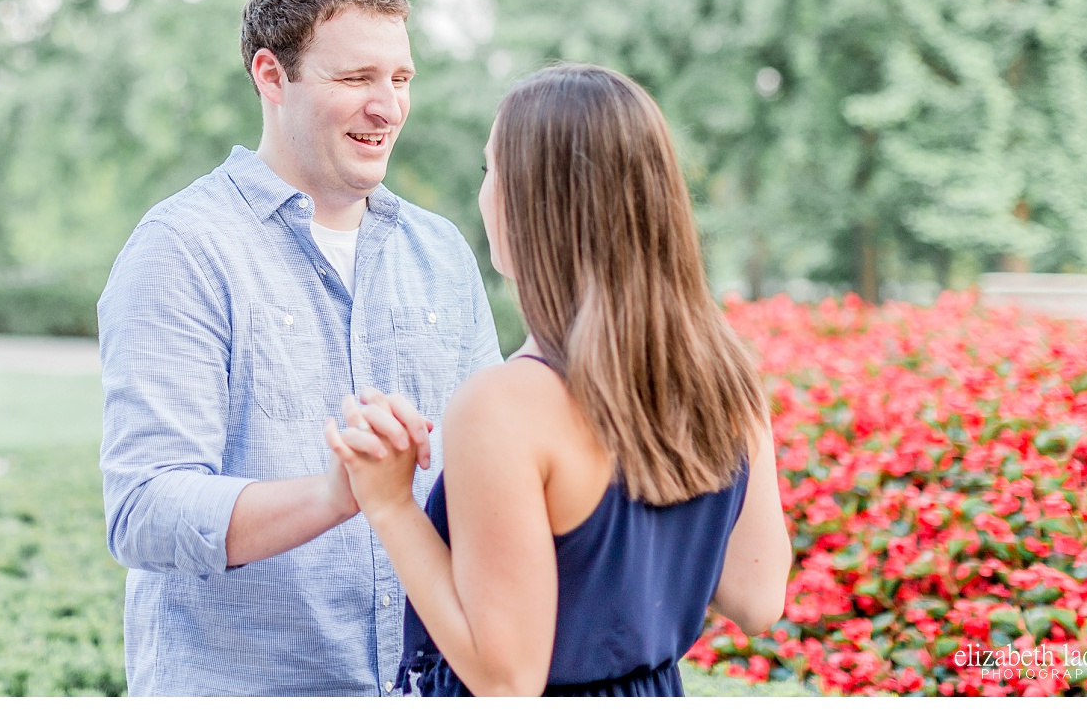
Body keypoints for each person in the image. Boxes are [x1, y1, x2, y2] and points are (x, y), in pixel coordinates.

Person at [97, 0, 503, 696]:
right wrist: (333, 497)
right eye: (356, 79)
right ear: (271, 76)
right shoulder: (183, 250)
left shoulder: (440, 251)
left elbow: (487, 476)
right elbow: (144, 511)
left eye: (400, 78)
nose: (387, 107)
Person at [326, 63, 792, 696]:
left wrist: (389, 503)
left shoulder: (505, 407)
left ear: (531, 203)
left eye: (492, 169)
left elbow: (507, 680)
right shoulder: (728, 379)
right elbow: (757, 597)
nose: (484, 192)